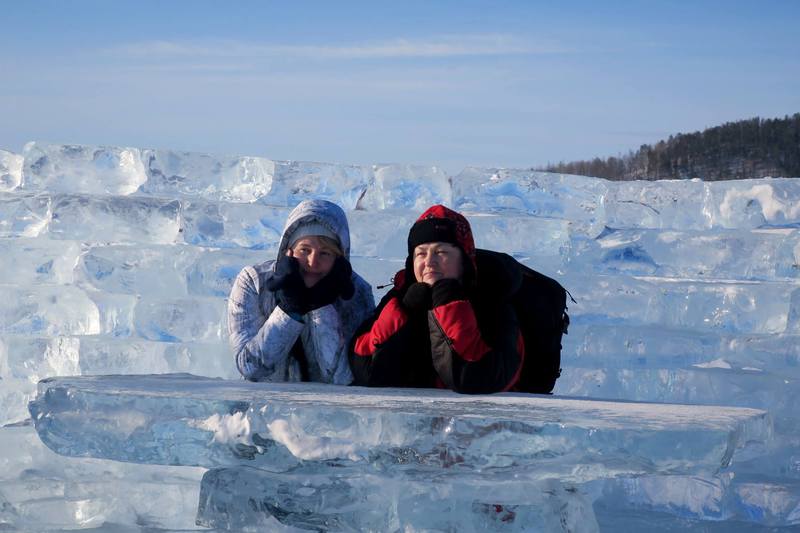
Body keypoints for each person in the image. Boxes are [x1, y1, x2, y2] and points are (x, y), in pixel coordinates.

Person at [350, 204, 529, 394]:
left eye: (441, 252)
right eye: (421, 253)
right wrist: (404, 313)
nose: (429, 262)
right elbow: (368, 371)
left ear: (464, 260)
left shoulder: (493, 301)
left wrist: (449, 305)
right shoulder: (400, 298)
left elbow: (477, 379)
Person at [228, 199, 374, 384]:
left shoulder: (357, 292)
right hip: (262, 407)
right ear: (288, 251)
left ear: (339, 258)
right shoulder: (253, 282)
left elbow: (343, 379)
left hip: (328, 409)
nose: (313, 262)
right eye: (305, 250)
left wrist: (322, 305)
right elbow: (250, 368)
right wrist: (290, 310)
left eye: (325, 253)